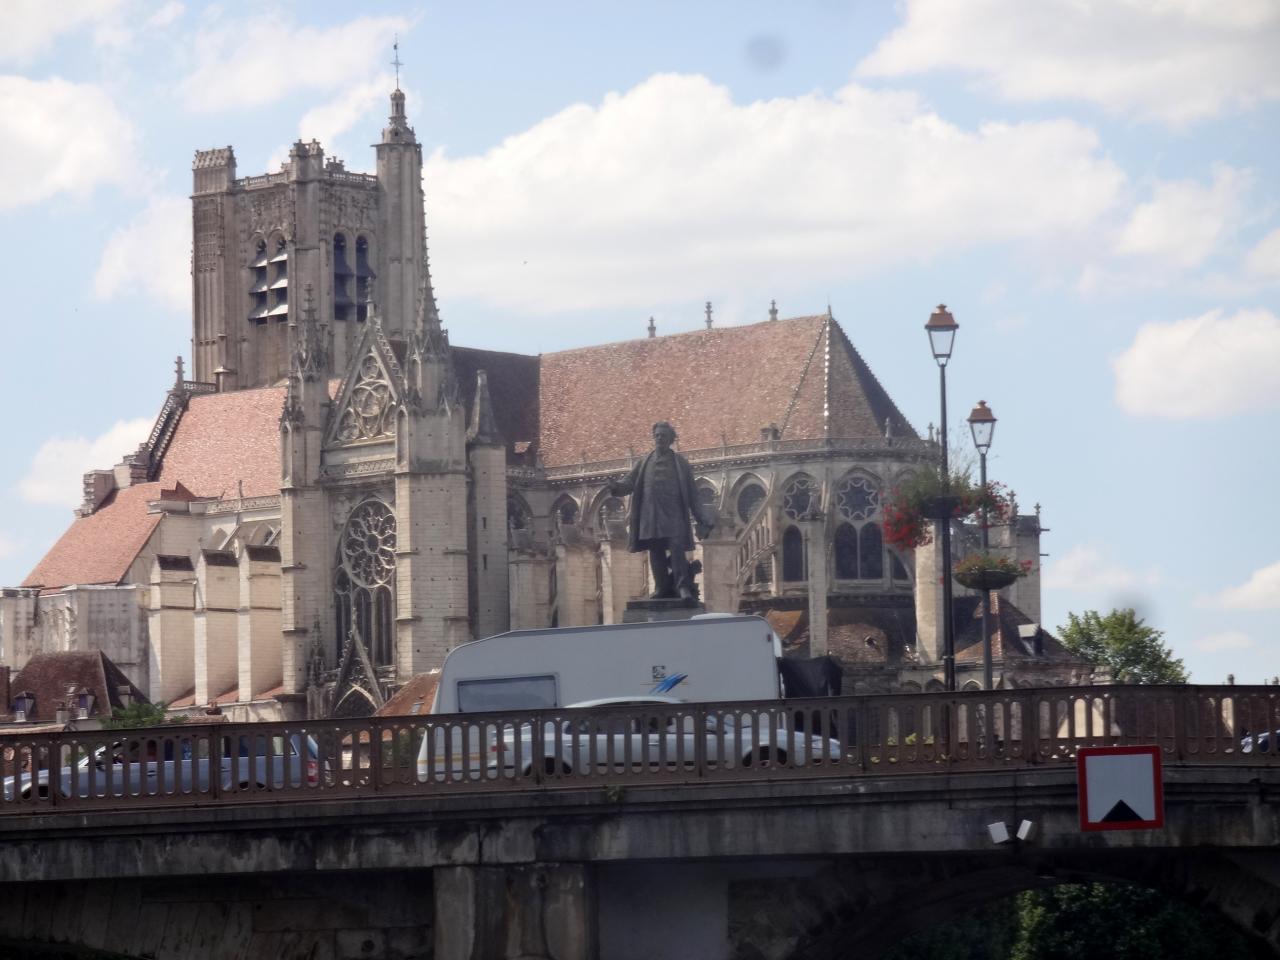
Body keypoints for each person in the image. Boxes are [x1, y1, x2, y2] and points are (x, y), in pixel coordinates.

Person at [609, 421, 715, 602]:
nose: (659, 438)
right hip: (650, 516)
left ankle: (682, 586)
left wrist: (703, 518)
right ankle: (661, 587)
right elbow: (629, 483)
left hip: (673, 515)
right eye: (657, 435)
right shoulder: (644, 462)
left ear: (671, 440)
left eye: (663, 435)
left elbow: (692, 494)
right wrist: (615, 487)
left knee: (676, 549)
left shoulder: (681, 463)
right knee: (655, 551)